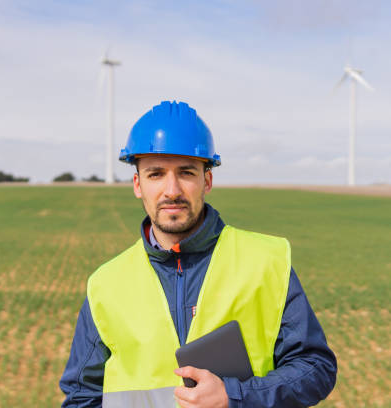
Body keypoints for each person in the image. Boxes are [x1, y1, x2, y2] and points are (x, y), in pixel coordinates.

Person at [60, 101, 337, 408]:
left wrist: (235, 396)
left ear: (207, 180)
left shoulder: (265, 261)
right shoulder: (106, 284)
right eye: (156, 174)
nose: (172, 190)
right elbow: (81, 397)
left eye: (186, 173)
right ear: (138, 184)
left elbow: (315, 368)